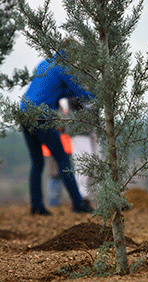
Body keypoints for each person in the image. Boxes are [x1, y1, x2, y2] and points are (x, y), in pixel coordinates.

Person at [20, 50, 95, 215]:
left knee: (37, 163)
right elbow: (83, 95)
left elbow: (60, 90)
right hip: (41, 116)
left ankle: (37, 206)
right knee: (63, 159)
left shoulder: (44, 64)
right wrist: (99, 94)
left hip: (24, 113)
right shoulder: (64, 69)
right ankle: (78, 204)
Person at [67, 96, 100, 207]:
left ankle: (102, 196)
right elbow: (73, 101)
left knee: (98, 163)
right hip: (79, 129)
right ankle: (80, 198)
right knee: (83, 163)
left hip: (94, 128)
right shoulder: (74, 81)